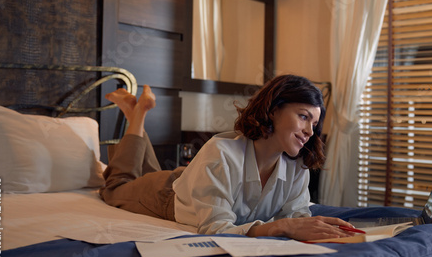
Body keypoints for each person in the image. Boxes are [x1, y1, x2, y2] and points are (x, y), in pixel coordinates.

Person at [100, 74, 354, 241]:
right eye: (303, 116)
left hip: (199, 184)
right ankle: (138, 114)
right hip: (166, 196)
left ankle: (135, 114)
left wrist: (313, 226)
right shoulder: (222, 152)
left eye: (315, 122)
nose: (310, 131)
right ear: (274, 110)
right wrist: (282, 227)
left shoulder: (298, 165)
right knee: (116, 186)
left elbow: (296, 215)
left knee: (144, 173)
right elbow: (216, 228)